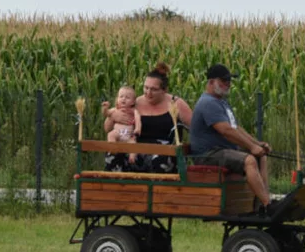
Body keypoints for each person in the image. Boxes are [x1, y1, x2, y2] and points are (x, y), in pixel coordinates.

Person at [190, 63, 274, 215]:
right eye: (223, 81)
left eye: (229, 80)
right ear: (211, 82)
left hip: (222, 151)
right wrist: (251, 148)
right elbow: (226, 131)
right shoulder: (208, 103)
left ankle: (262, 204)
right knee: (249, 160)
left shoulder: (221, 102)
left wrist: (256, 144)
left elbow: (235, 128)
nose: (228, 84)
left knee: (261, 157)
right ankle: (268, 205)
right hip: (208, 155)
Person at [105, 62, 193, 173]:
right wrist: (112, 116)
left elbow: (195, 129)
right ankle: (115, 187)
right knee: (112, 154)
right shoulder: (134, 103)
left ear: (164, 90)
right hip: (136, 149)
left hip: (164, 152)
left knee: (160, 160)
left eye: (153, 89)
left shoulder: (177, 104)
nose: (148, 93)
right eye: (145, 88)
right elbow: (108, 128)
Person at [102, 85, 141, 164]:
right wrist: (105, 108)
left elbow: (138, 119)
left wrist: (138, 128)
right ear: (117, 99)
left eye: (127, 97)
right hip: (117, 134)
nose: (123, 99)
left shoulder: (134, 111)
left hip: (129, 135)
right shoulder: (115, 110)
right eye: (121, 96)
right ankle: (113, 149)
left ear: (133, 101)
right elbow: (107, 114)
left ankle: (132, 157)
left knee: (133, 143)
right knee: (111, 134)